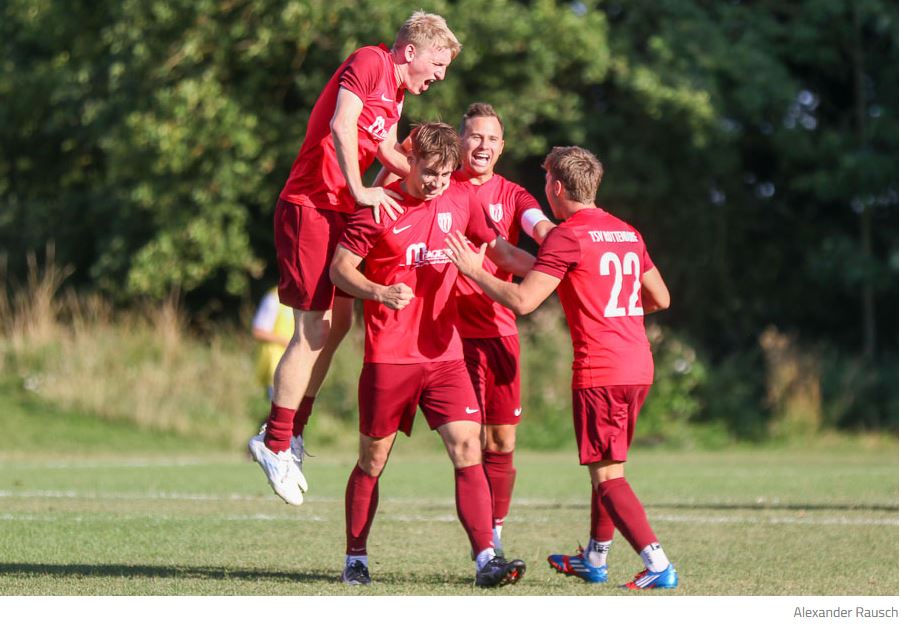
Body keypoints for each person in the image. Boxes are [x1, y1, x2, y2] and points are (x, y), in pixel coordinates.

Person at [249, 12, 462, 507]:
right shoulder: (370, 61)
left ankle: (292, 430)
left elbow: (385, 146)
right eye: (437, 62)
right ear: (410, 51)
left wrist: (425, 178)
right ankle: (273, 440)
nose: (440, 75)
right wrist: (360, 189)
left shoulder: (397, 92)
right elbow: (342, 125)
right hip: (310, 205)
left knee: (339, 324)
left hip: (337, 206)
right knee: (313, 330)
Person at [445, 146, 678, 590]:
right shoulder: (626, 231)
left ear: (555, 187)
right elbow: (660, 298)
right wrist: (617, 312)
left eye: (545, 180)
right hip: (638, 366)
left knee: (608, 477)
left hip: (602, 371)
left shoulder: (567, 236)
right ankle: (594, 557)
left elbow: (523, 300)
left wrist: (474, 269)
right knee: (608, 468)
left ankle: (658, 564)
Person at [329, 122, 532, 588]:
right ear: (411, 162)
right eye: (430, 172)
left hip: (445, 357)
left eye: (446, 173)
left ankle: (486, 558)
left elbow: (499, 249)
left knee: (468, 449)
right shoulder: (379, 208)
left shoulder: (460, 200)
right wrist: (378, 291)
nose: (438, 182)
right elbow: (340, 270)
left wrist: (555, 268)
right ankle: (355, 557)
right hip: (389, 359)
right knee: (372, 461)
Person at [451, 103, 555, 555]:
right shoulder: (439, 185)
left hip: (498, 331)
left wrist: (571, 252)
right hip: (449, 338)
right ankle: (482, 545)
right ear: (460, 142)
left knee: (502, 439)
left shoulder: (513, 195)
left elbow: (542, 228)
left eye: (492, 139)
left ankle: (495, 531)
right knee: (465, 441)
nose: (483, 145)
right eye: (475, 136)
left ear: (502, 147)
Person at [251, 288, 293, 401]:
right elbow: (258, 331)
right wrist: (287, 342)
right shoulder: (273, 298)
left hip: (291, 365)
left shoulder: (300, 299)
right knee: (279, 407)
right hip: (274, 365)